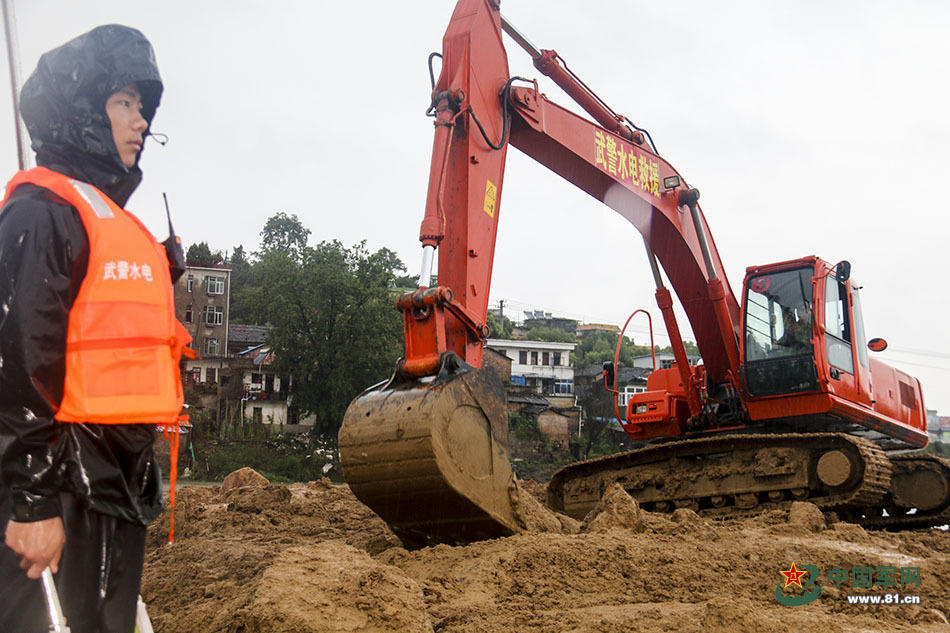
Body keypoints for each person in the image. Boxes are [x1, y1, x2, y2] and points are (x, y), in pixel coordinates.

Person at [0, 25, 188, 633]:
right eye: (124, 102)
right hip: (58, 494)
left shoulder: (103, 220)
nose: (141, 123)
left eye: (142, 107)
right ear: (83, 109)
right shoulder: (41, 214)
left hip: (110, 490)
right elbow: (17, 362)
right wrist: (31, 503)